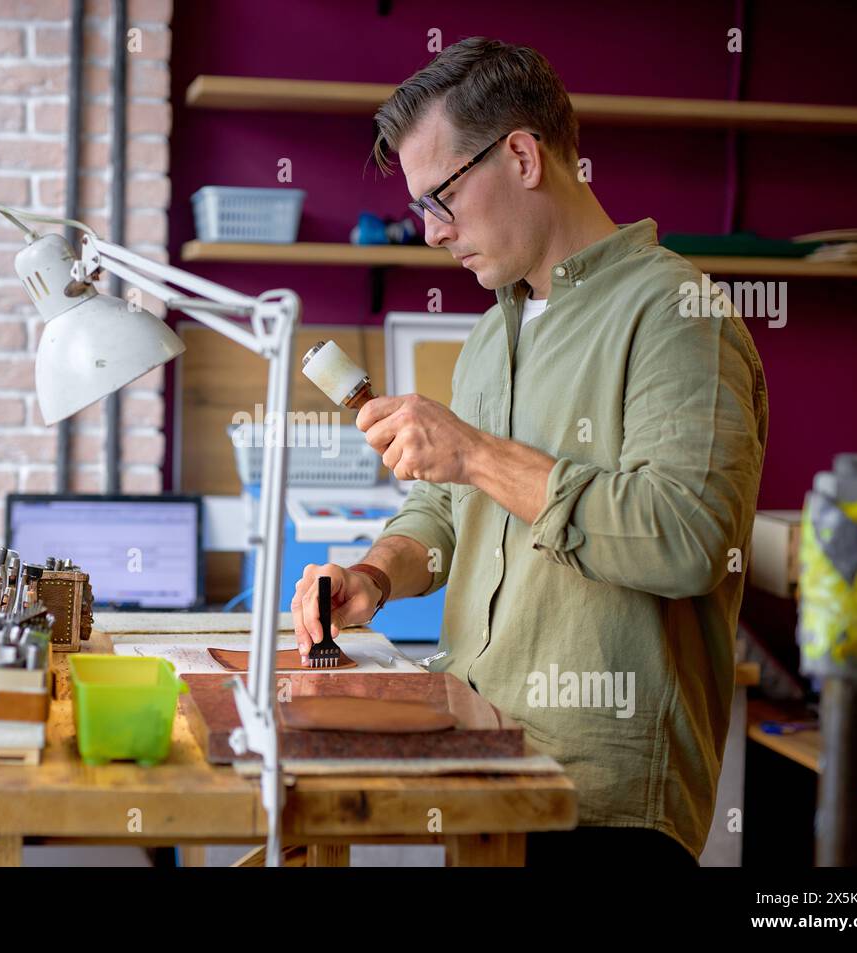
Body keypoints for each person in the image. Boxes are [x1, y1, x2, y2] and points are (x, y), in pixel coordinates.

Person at [290, 37, 769, 867]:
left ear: (520, 155)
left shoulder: (677, 311)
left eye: (440, 199)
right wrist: (373, 574)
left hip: (601, 807)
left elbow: (690, 540)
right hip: (482, 768)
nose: (433, 234)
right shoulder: (490, 333)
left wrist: (476, 453)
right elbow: (445, 512)